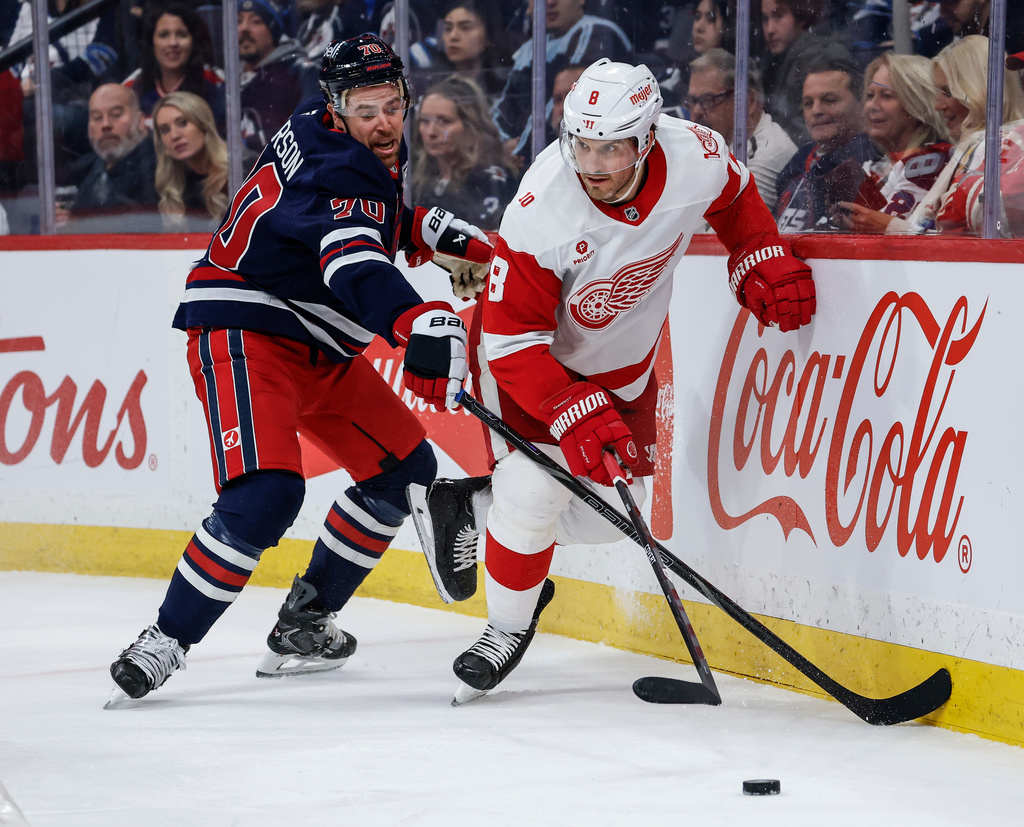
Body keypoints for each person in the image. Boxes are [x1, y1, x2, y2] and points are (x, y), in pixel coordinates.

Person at [407, 58, 816, 702]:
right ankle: (504, 628)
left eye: (613, 147)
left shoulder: (694, 154)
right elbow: (513, 342)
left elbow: (734, 196)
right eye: (583, 145)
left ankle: (472, 506)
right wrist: (570, 405)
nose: (594, 164)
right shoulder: (542, 212)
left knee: (610, 519)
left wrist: (757, 251)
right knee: (537, 493)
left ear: (649, 135)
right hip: (533, 365)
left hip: (625, 368)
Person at [106, 34, 494, 703]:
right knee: (265, 496)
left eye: (391, 104)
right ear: (337, 108)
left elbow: (357, 220)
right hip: (247, 326)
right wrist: (412, 323)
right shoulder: (341, 161)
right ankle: (165, 637)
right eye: (365, 108)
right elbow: (351, 261)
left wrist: (425, 229)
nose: (382, 121)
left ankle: (305, 621)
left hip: (320, 343)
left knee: (405, 471)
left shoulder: (333, 133)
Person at [892, 35, 1024, 236]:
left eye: (947, 92)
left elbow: (955, 234)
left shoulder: (995, 144)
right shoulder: (977, 146)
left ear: (980, 90)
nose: (937, 105)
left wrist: (885, 226)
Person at [491, 0, 633, 163]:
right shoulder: (528, 49)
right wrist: (501, 147)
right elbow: (501, 113)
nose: (549, 3)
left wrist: (519, 152)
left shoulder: (594, 31)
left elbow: (563, 103)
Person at [830, 53, 951, 233]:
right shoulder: (881, 166)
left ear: (918, 104)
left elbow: (884, 241)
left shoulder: (931, 163)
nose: (872, 105)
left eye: (886, 96)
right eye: (870, 95)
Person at [685, 48, 796, 213]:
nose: (696, 112)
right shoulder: (719, 144)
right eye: (692, 101)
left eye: (707, 100)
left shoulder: (768, 152)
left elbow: (728, 233)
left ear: (748, 101)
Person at [774, 55, 874, 232]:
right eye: (808, 103)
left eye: (829, 100)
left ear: (861, 102)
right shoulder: (799, 159)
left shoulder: (871, 156)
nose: (816, 111)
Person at [411, 75, 519, 231]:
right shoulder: (417, 179)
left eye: (444, 121)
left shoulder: (490, 181)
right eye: (425, 120)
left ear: (470, 127)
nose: (431, 132)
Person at [59, 83, 159, 227]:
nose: (105, 124)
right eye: (97, 117)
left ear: (140, 120)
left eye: (116, 115)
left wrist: (77, 227)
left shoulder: (158, 170)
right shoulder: (93, 164)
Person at [758, 0, 853, 145]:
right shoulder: (776, 61)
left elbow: (805, 131)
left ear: (800, 15)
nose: (770, 29)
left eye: (779, 16)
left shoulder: (816, 58)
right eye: (765, 19)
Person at [123, 2, 226, 134]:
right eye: (163, 35)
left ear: (193, 41)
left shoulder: (217, 84)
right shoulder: (132, 88)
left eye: (182, 35)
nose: (173, 43)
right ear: (151, 42)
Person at [237, 0, 320, 166]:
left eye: (256, 21)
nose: (244, 28)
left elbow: (310, 133)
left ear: (273, 30)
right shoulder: (230, 80)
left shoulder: (299, 72)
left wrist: (256, 142)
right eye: (238, 21)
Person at [412, 0, 514, 106]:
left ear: (488, 36)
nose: (453, 36)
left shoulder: (506, 86)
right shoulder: (428, 84)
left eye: (466, 28)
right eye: (448, 28)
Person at [152, 91, 229, 230]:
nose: (174, 136)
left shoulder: (242, 170)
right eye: (165, 130)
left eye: (182, 123)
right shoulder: (170, 187)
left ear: (203, 125)